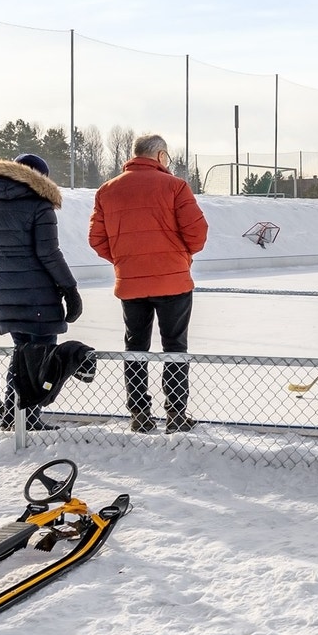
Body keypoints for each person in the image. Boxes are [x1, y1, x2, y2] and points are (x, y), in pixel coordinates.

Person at [89, 133, 209, 434]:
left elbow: (97, 240)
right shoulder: (175, 187)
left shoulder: (107, 191)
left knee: (135, 346)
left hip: (130, 283)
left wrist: (125, 260)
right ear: (160, 156)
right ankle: (176, 414)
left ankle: (140, 413)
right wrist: (178, 256)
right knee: (175, 346)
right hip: (173, 281)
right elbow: (198, 234)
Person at [0, 153, 82, 432]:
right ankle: (26, 417)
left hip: (3, 297)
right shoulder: (40, 207)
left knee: (22, 354)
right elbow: (49, 253)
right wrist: (70, 289)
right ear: (38, 178)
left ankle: (14, 416)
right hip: (39, 297)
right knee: (41, 356)